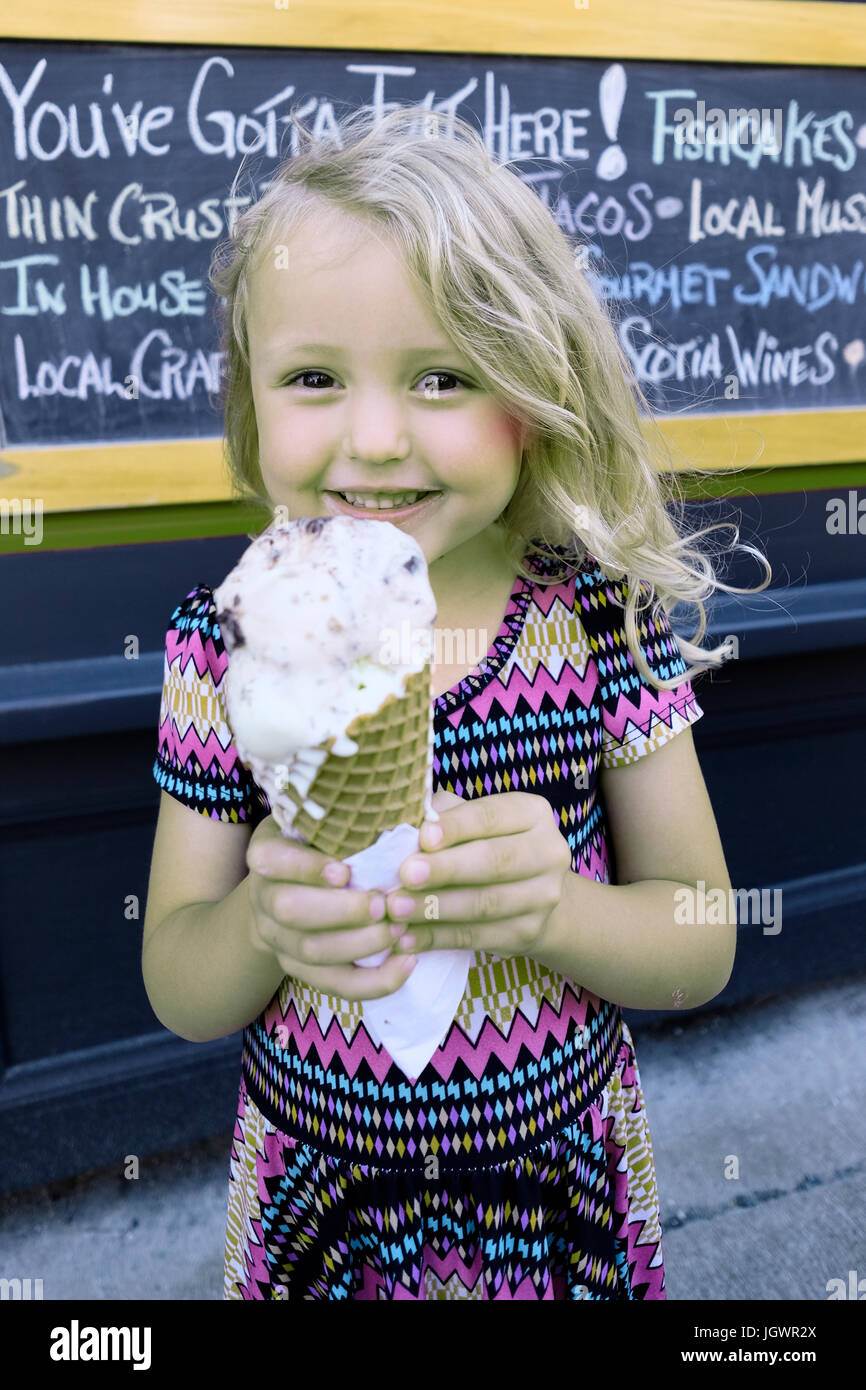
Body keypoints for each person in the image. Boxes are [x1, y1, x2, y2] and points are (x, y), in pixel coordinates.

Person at [143, 105, 771, 1300]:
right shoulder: (218, 645)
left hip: (557, 1196)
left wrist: (557, 911)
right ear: (252, 404)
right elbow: (179, 983)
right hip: (319, 1202)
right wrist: (263, 930)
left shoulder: (596, 623)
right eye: (314, 378)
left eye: (443, 376)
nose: (374, 439)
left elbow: (702, 935)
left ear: (535, 395)